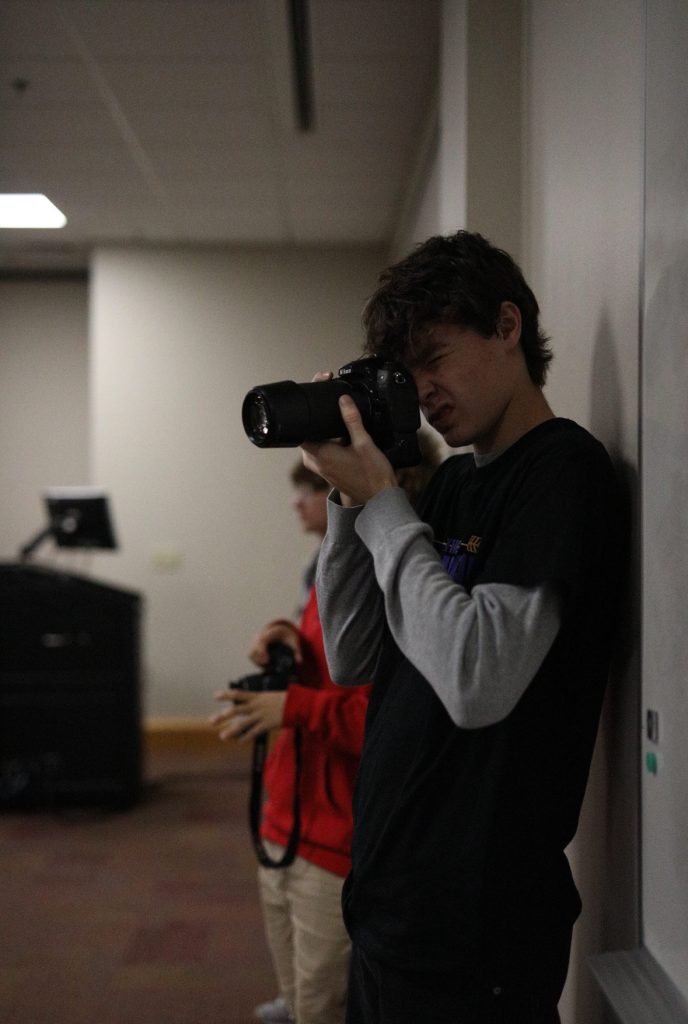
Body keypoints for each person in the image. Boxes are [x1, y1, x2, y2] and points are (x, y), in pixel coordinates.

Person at [301, 230, 624, 1024]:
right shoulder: (450, 484)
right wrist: (349, 504)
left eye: (435, 359)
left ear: (507, 327)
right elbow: (352, 653)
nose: (423, 392)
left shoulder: (563, 472)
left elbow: (478, 679)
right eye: (407, 373)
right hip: (392, 909)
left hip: (477, 934)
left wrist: (386, 506)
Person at [212, 463, 371, 1024]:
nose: (301, 500)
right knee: (300, 1002)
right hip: (287, 818)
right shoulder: (331, 560)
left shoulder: (388, 570)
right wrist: (289, 640)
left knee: (322, 1008)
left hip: (334, 837)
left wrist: (294, 707)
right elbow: (328, 669)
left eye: (318, 483)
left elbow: (387, 724)